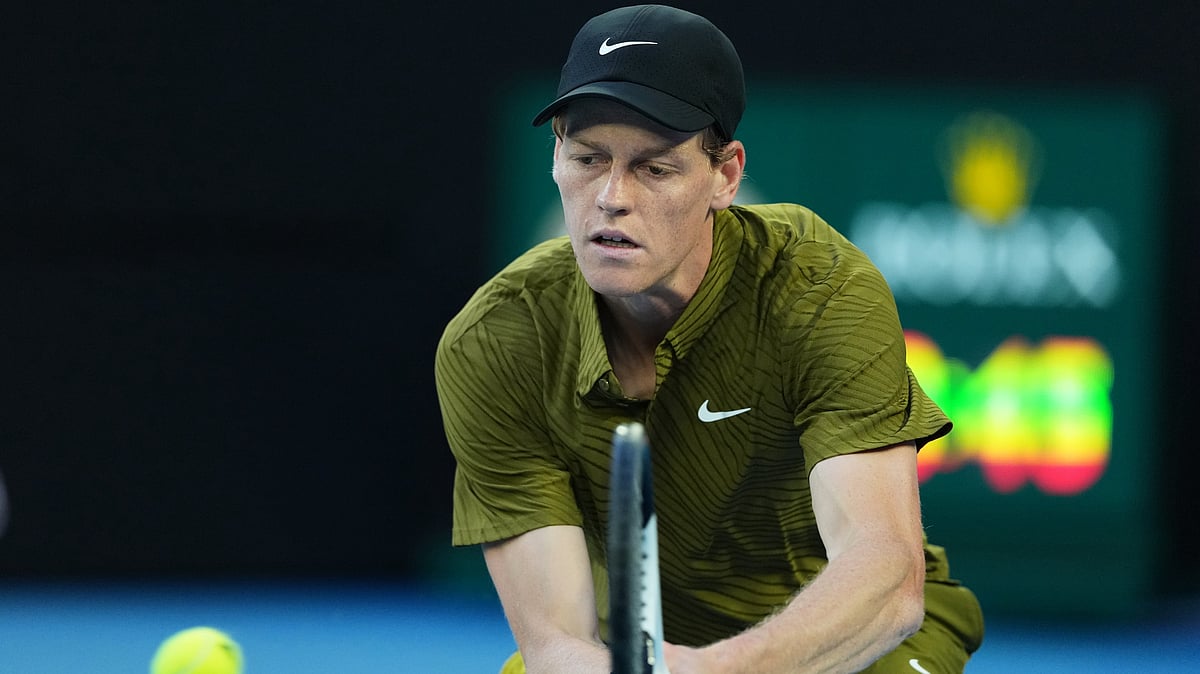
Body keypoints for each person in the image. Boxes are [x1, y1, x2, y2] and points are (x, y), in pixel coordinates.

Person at [435, 5, 984, 673]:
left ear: (725, 176)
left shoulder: (818, 288)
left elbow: (888, 583)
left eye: (655, 168)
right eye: (587, 158)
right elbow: (556, 639)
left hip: (844, 644)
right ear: (555, 155)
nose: (610, 196)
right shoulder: (496, 341)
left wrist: (720, 670)